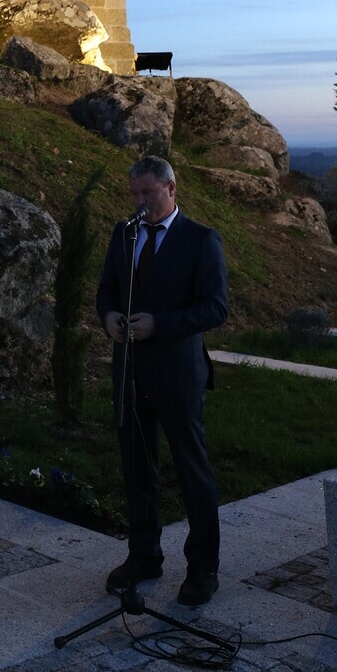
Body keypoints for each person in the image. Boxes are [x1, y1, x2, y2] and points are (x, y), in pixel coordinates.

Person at [96, 154, 228, 607]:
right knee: (137, 469)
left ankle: (203, 568)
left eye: (148, 193)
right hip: (130, 371)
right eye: (134, 193)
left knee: (192, 472)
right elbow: (107, 290)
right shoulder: (124, 233)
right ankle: (144, 556)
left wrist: (161, 324)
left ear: (171, 189)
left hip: (178, 373)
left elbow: (215, 307)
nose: (139, 202)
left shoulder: (200, 239)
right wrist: (109, 317)